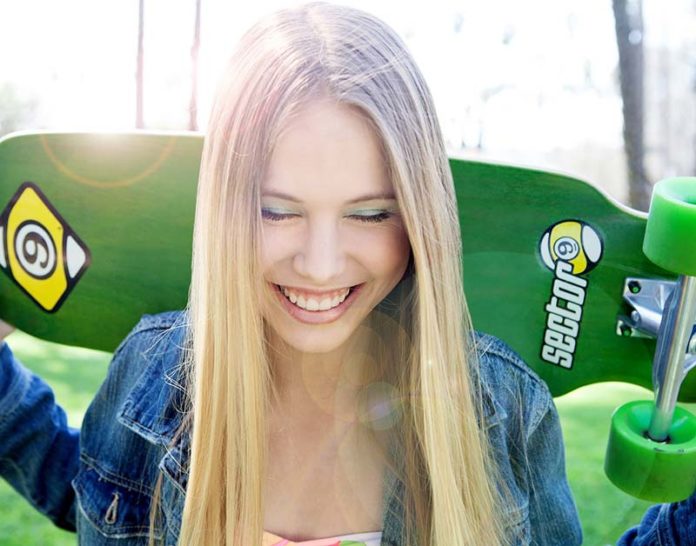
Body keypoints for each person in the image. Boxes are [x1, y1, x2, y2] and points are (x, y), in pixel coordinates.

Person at [0, 3, 693, 545]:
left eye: (369, 214)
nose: (321, 264)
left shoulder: (497, 409)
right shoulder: (151, 374)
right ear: (221, 210)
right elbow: (94, 493)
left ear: (421, 216)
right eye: (276, 211)